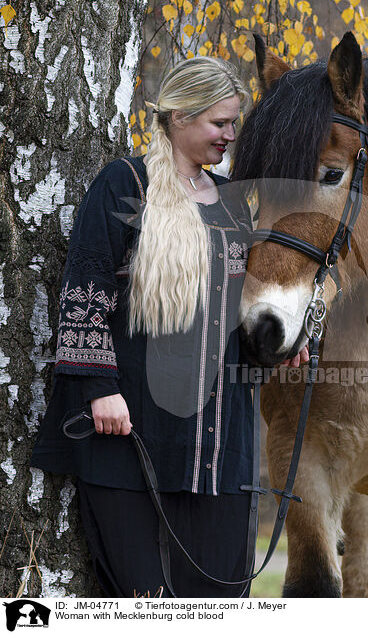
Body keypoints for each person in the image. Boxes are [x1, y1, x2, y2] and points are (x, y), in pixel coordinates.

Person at [31, 56, 307, 598]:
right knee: (141, 603)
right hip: (129, 434)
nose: (231, 135)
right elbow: (86, 290)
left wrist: (281, 345)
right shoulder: (124, 185)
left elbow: (239, 312)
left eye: (234, 123)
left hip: (219, 446)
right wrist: (98, 389)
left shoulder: (233, 205)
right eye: (219, 123)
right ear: (179, 117)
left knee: (221, 602)